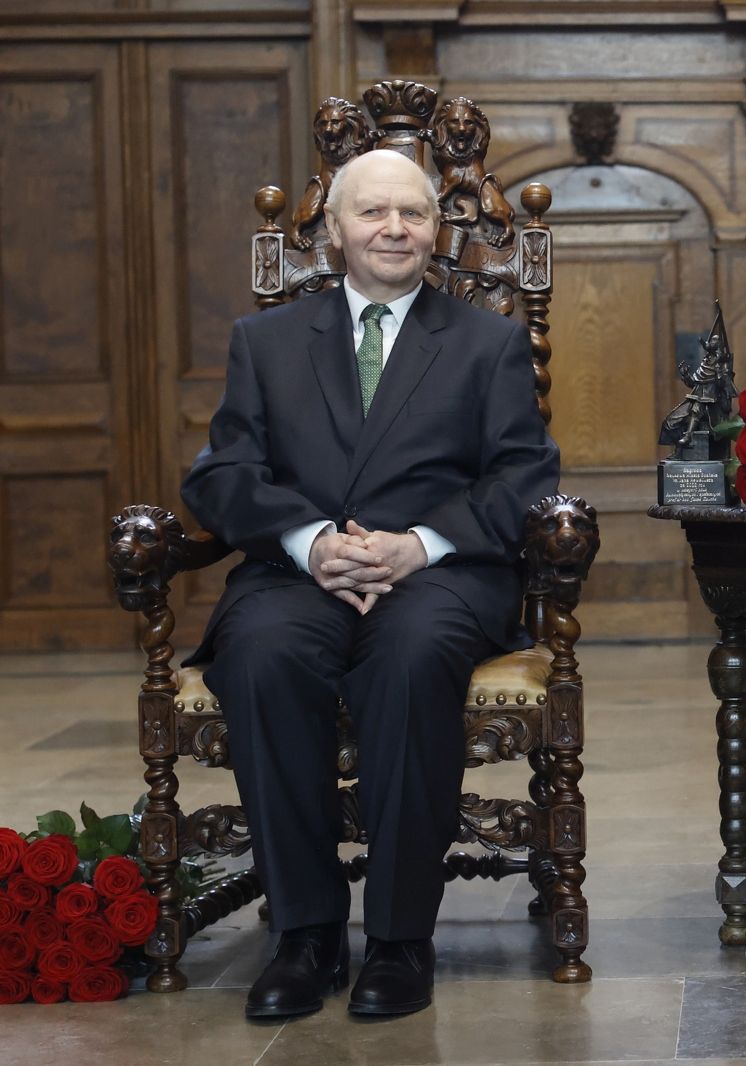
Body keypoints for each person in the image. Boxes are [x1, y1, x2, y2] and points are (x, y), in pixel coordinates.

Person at [183, 148, 559, 1019]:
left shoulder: (488, 342)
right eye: (372, 212)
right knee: (263, 656)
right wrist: (310, 541)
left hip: (439, 575)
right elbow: (222, 474)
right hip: (296, 572)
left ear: (436, 231)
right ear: (333, 230)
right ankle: (306, 936)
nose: (394, 229)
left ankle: (398, 940)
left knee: (411, 658)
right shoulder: (266, 341)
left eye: (413, 214)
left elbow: (524, 474)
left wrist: (420, 546)